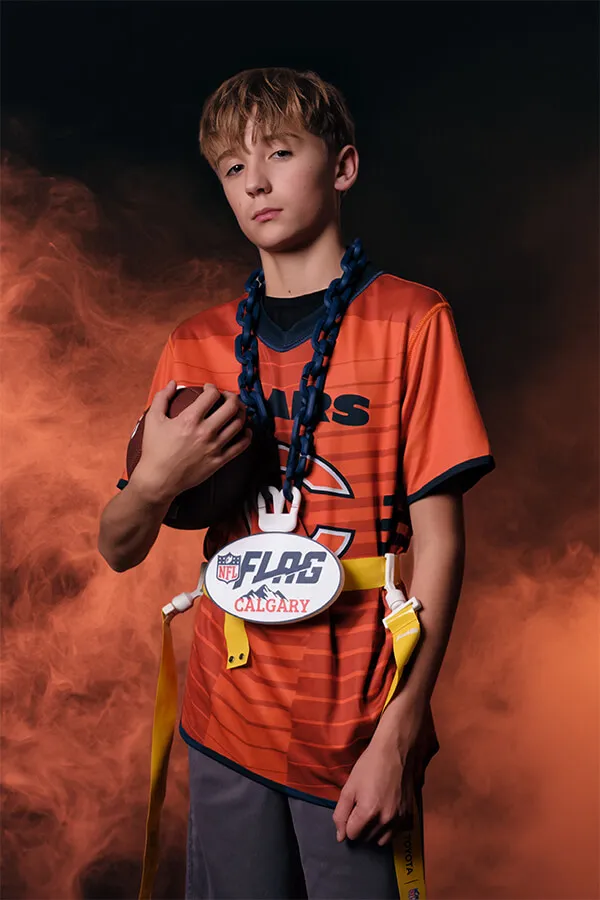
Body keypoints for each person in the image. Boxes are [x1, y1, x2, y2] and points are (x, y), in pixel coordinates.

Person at [98, 66, 495, 900]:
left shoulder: (410, 320)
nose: (257, 183)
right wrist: (156, 481)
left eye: (280, 152)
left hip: (353, 715)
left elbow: (443, 542)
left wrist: (403, 728)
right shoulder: (195, 345)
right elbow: (119, 547)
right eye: (234, 168)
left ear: (342, 166)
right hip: (226, 709)